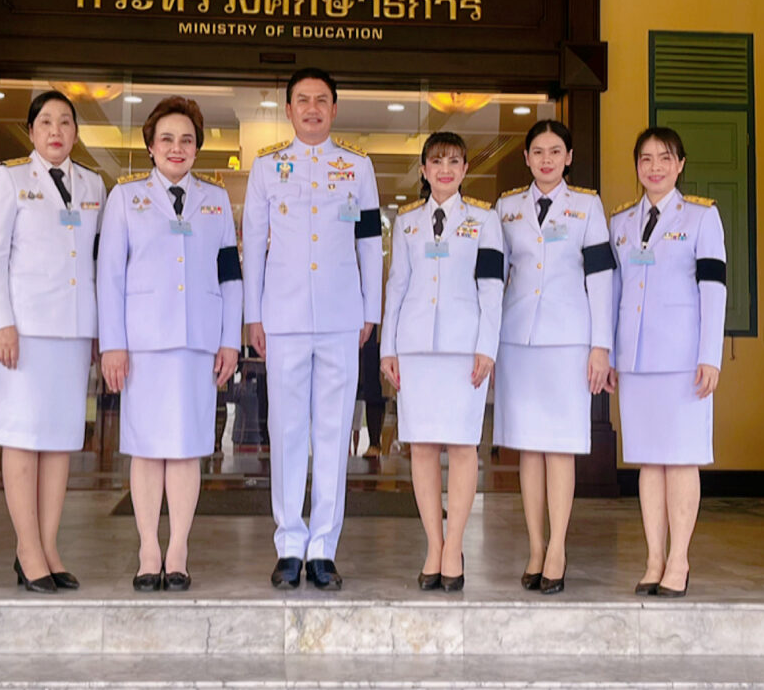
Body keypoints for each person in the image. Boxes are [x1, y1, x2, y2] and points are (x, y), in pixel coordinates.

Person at [242, 67, 382, 590]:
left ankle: (323, 546)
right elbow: (253, 243)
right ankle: (288, 544)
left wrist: (371, 310)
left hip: (342, 315)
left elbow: (370, 241)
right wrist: (252, 314)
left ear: (334, 109)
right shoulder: (266, 167)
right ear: (289, 109)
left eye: (322, 100)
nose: (312, 108)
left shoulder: (358, 167)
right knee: (286, 430)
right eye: (302, 100)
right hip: (283, 316)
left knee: (333, 431)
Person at [98, 96, 241, 592]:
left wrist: (230, 340)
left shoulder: (216, 200)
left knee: (186, 448)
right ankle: (148, 549)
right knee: (145, 448)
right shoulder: (125, 198)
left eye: (186, 140)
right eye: (167, 139)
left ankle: (178, 548)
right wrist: (112, 344)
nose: (176, 148)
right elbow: (109, 275)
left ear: (197, 147)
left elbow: (230, 275)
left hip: (198, 342)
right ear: (151, 146)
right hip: (141, 344)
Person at [0, 90, 105, 593]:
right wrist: (1, 323)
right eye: (46, 122)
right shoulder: (10, 179)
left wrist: (98, 331)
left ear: (75, 132)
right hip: (25, 331)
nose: (56, 131)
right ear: (31, 131)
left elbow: (95, 261)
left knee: (59, 440)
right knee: (22, 437)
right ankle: (27, 549)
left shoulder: (93, 183)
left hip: (74, 329)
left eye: (66, 122)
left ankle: (49, 546)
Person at [493, 119, 615, 595]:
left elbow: (601, 279)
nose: (546, 160)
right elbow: (493, 280)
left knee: (560, 446)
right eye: (538, 152)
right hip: (518, 339)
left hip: (569, 340)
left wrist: (601, 345)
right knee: (528, 446)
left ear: (569, 158)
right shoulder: (506, 208)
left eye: (555, 151)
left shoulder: (587, 206)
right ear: (526, 158)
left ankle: (559, 548)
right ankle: (535, 547)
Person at [380, 131, 504, 592]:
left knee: (463, 446)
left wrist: (487, 346)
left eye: (454, 161)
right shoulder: (408, 221)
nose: (445, 169)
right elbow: (396, 284)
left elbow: (492, 287)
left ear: (466, 169)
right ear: (424, 169)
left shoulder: (484, 220)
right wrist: (388, 347)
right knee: (423, 447)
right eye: (437, 161)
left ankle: (455, 546)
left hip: (463, 348)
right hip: (415, 349)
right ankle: (434, 545)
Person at [608, 127, 726, 598]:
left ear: (680, 164)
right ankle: (654, 558)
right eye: (646, 158)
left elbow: (713, 289)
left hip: (682, 360)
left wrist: (710, 355)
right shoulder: (621, 222)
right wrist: (609, 352)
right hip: (635, 360)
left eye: (664, 158)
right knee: (648, 462)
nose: (654, 167)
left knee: (680, 459)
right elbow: (614, 292)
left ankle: (679, 559)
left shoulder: (701, 217)